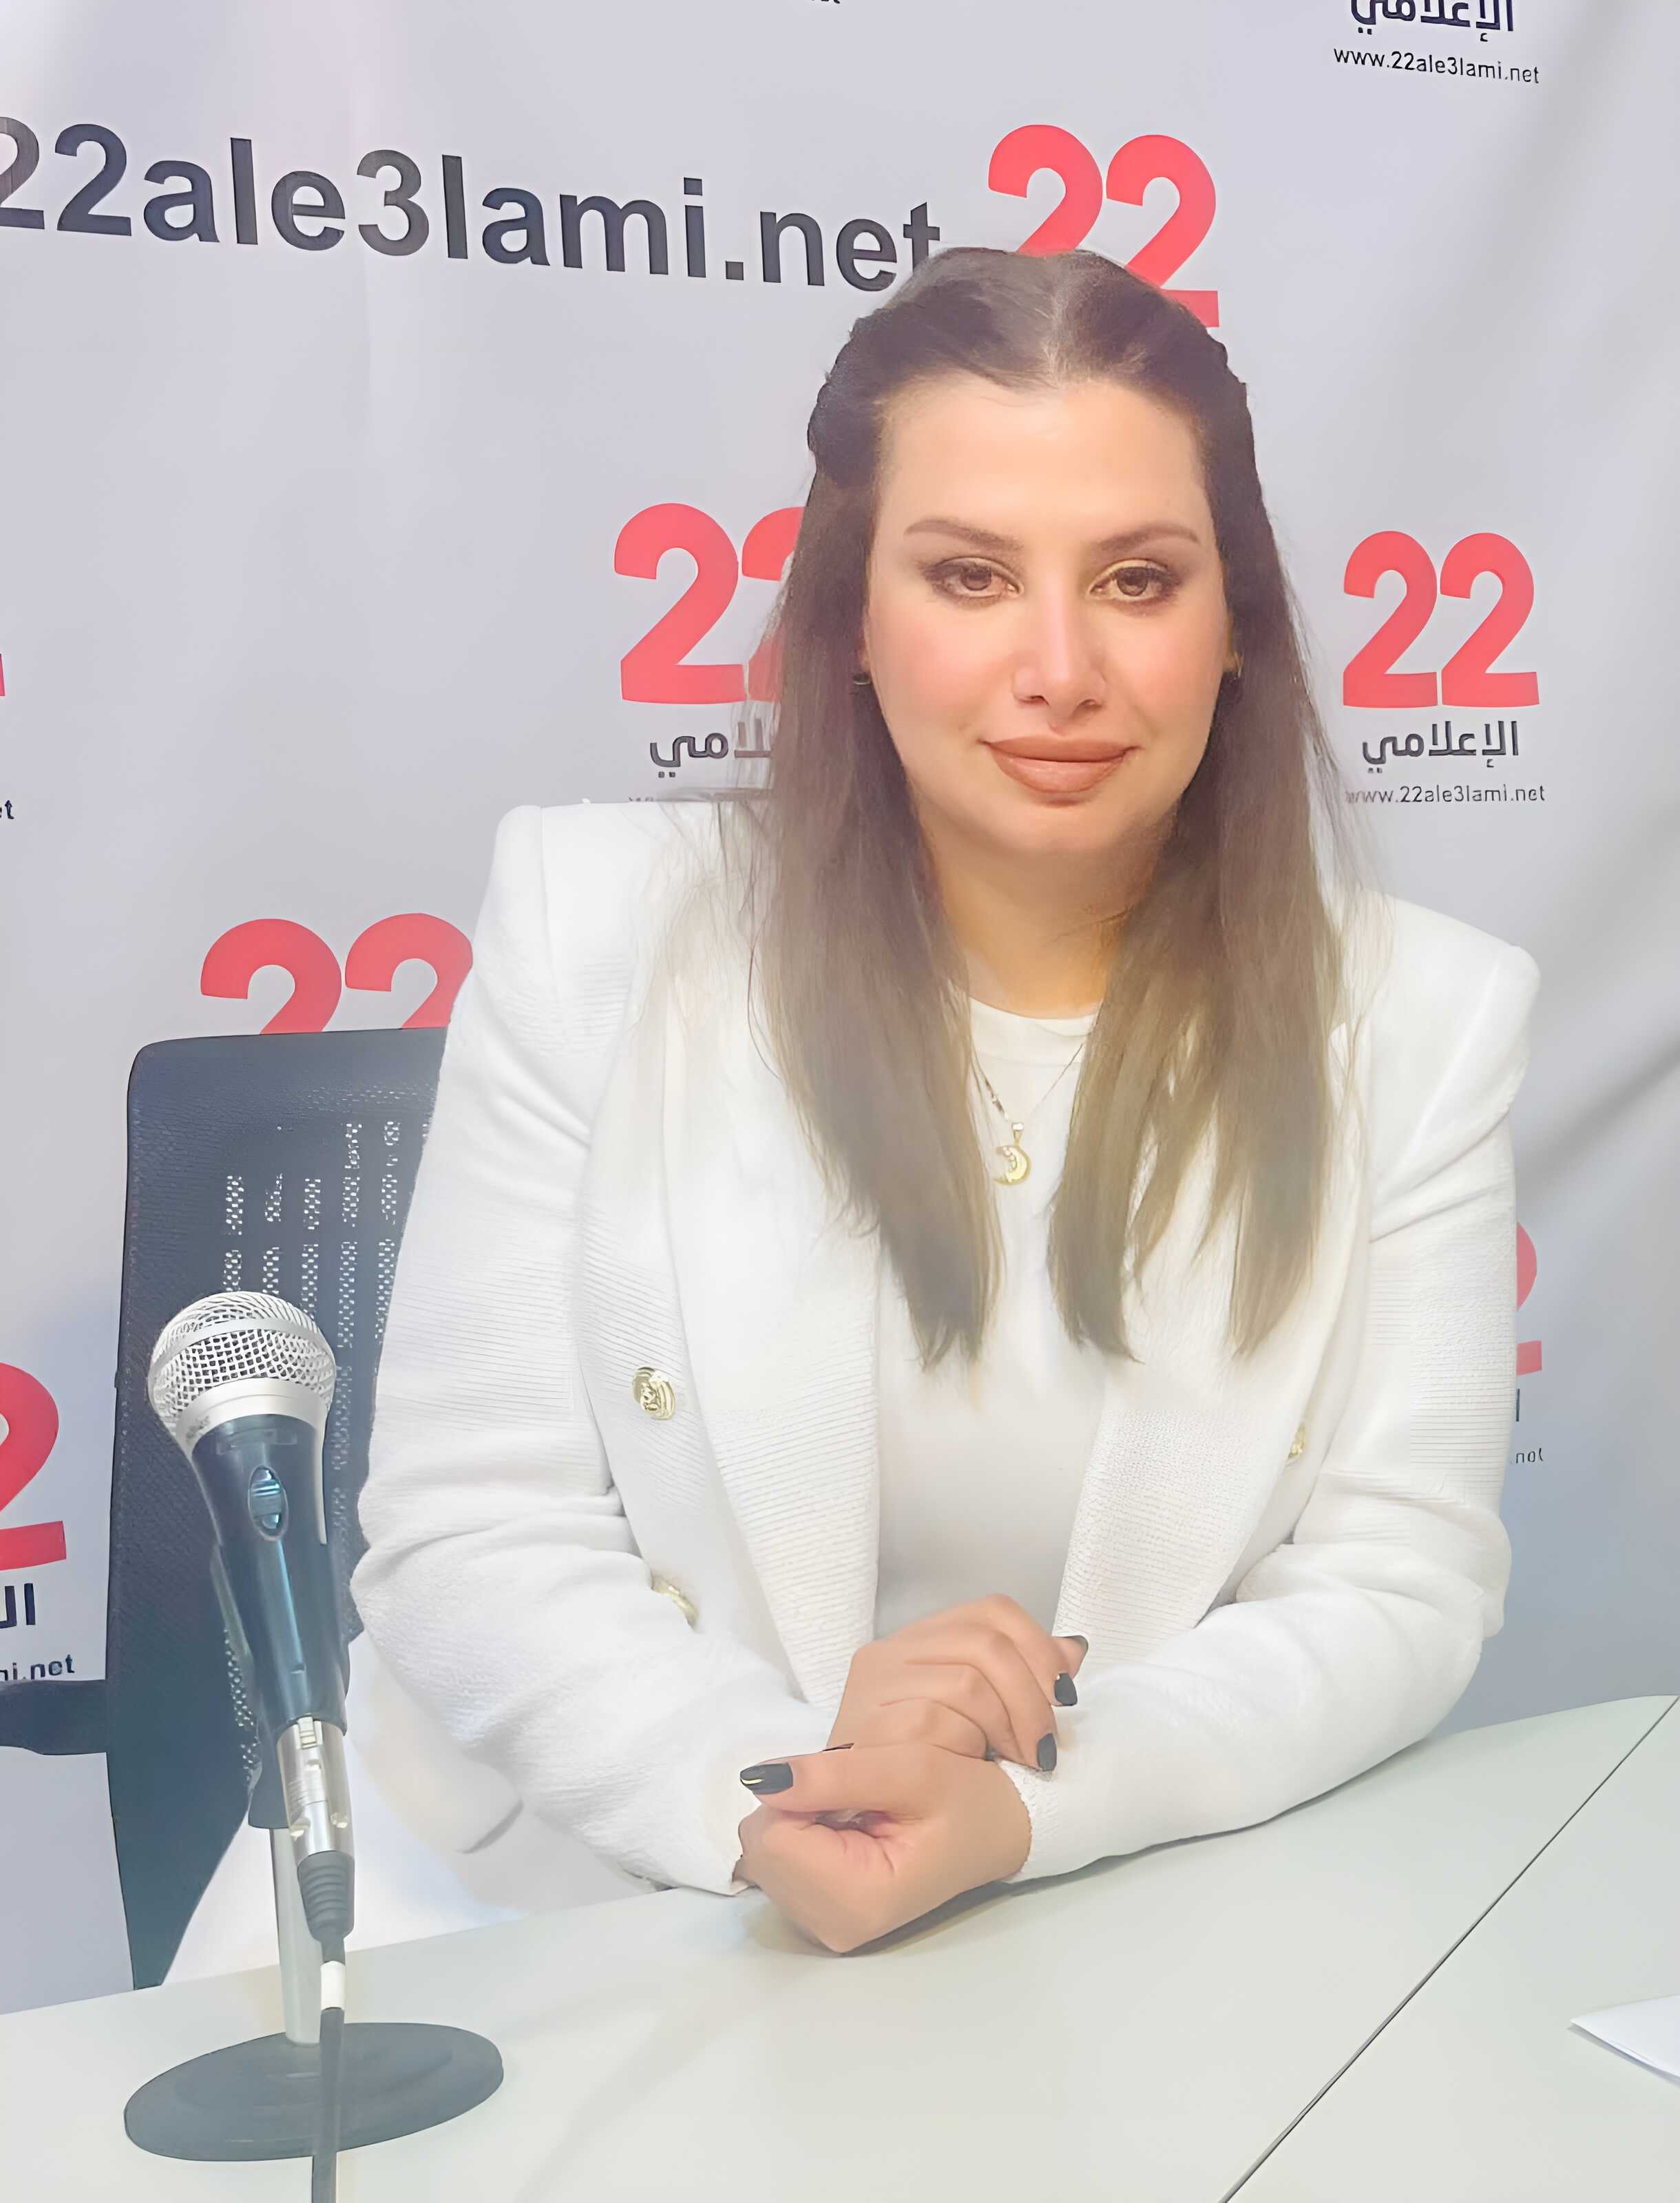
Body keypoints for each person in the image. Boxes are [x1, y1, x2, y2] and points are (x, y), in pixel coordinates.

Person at [346, 244, 1540, 1958]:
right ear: (848, 619)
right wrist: (773, 1784)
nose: (1058, 667)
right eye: (969, 576)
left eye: (1136, 580)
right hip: (561, 1906)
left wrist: (1033, 1806)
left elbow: (1398, 1579)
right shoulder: (590, 930)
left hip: (1093, 1917)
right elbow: (469, 1529)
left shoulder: (1422, 1021)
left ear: (1235, 629)